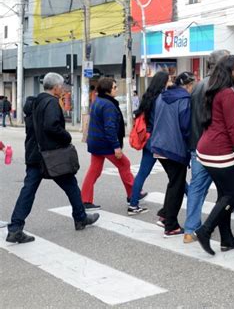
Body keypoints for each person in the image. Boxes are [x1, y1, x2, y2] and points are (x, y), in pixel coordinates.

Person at [6, 73, 99, 244]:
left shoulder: (35, 102)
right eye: (62, 86)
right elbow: (51, 126)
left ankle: (15, 228)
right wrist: (66, 137)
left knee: (28, 192)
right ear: (55, 88)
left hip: (35, 154)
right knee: (70, 185)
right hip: (50, 156)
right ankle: (80, 218)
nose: (63, 89)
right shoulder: (51, 103)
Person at [183, 50, 234, 244]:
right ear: (227, 67)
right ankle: (209, 229)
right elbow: (231, 127)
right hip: (218, 148)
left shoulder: (202, 86)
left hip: (201, 145)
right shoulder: (226, 91)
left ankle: (196, 231)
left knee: (206, 189)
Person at [81, 78, 138, 210]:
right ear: (107, 90)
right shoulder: (108, 105)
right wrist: (116, 146)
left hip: (95, 142)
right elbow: (110, 128)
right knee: (124, 164)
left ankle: (85, 200)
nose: (116, 89)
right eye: (114, 87)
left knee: (94, 170)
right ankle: (134, 194)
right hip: (105, 144)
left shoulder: (98, 101)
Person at [150, 71, 194, 237]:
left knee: (174, 183)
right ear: (188, 85)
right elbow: (186, 127)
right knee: (177, 185)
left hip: (158, 146)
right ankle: (171, 225)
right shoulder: (184, 100)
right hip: (175, 148)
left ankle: (164, 214)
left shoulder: (162, 96)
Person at [128, 71, 171, 215]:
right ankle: (192, 196)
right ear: (163, 83)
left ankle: (133, 204)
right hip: (159, 142)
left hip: (148, 140)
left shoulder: (147, 97)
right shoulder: (161, 99)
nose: (170, 82)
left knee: (142, 173)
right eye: (168, 80)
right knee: (175, 173)